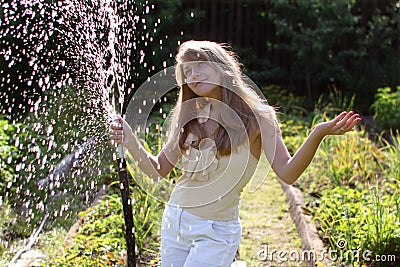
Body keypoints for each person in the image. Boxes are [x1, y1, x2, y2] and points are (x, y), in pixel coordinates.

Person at [109, 40, 361, 267]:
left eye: (199, 66)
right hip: (175, 221)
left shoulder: (259, 118)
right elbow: (158, 170)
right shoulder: (188, 117)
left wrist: (318, 132)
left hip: (216, 231)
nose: (193, 75)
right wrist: (130, 139)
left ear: (221, 67)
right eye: (187, 71)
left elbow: (288, 172)